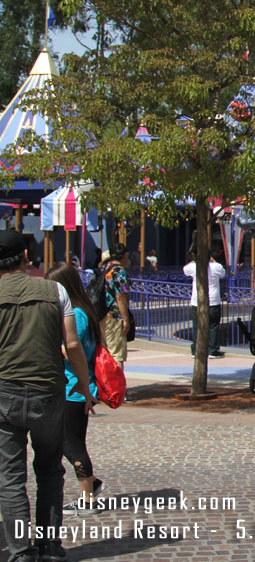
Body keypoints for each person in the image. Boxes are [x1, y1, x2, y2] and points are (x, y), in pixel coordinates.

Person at [0, 230, 96, 561]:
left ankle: (20, 552)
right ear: (26, 257)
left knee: (10, 479)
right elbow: (72, 345)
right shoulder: (54, 290)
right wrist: (84, 387)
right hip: (50, 392)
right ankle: (49, 545)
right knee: (50, 471)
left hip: (4, 394)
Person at [46, 263, 104, 515]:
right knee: (67, 441)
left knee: (71, 444)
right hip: (75, 387)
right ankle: (91, 485)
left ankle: (88, 499)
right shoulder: (83, 311)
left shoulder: (77, 315)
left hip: (75, 388)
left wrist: (49, 342)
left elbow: (74, 350)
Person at [184, 252, 227, 358]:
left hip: (197, 301)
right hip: (213, 301)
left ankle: (196, 349)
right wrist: (213, 261)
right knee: (213, 326)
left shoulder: (194, 267)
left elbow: (185, 270)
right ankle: (212, 350)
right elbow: (223, 273)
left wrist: (195, 260)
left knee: (197, 326)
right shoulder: (216, 267)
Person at [100, 242, 132, 367]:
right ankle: (116, 385)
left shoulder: (104, 269)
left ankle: (104, 384)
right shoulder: (119, 271)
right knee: (116, 354)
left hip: (101, 314)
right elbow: (120, 295)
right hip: (114, 316)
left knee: (104, 352)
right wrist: (125, 318)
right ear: (123, 256)